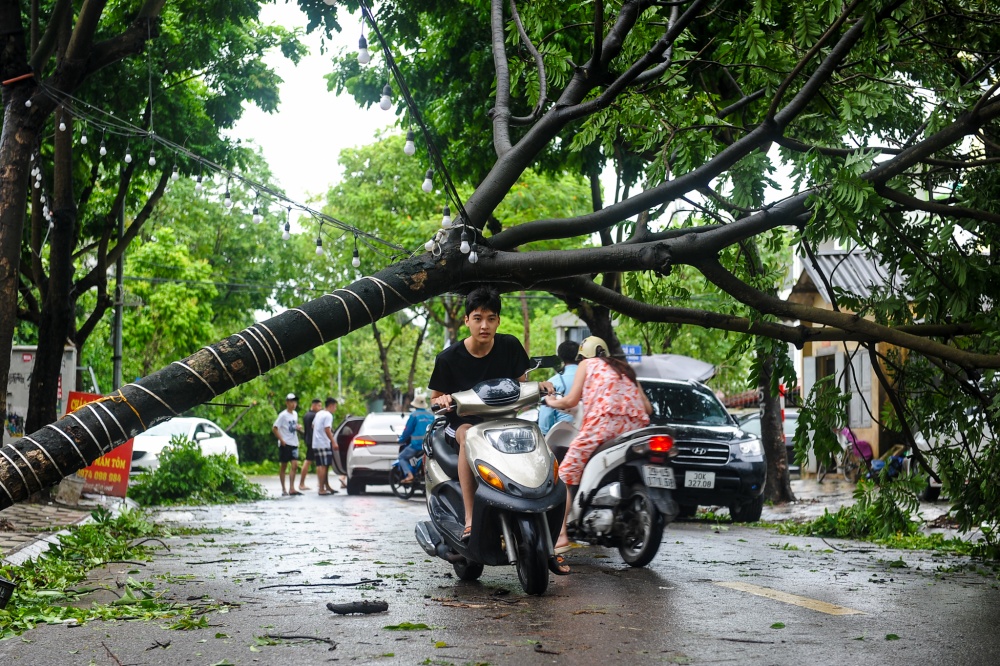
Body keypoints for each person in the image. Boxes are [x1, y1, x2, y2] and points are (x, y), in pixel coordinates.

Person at [429, 286, 554, 542]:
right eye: (477, 318)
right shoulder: (448, 358)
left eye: (490, 319)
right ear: (467, 321)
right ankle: (471, 518)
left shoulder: (510, 346)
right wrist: (441, 400)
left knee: (535, 435)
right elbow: (434, 399)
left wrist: (539, 387)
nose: (484, 325)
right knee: (468, 435)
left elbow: (522, 384)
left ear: (498, 321)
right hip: (465, 423)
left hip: (504, 422)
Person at [543, 336, 653, 572]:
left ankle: (561, 536)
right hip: (635, 429)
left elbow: (571, 400)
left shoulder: (586, 365)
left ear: (584, 356)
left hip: (603, 425)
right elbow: (648, 408)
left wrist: (551, 402)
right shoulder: (625, 368)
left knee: (565, 474)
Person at [537, 340, 581, 435]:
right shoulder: (592, 378)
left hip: (563, 436)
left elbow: (546, 416)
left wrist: (545, 434)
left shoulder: (553, 382)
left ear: (560, 358)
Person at [397, 393, 435, 484]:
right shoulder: (431, 415)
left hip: (417, 445)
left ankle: (409, 475)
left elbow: (408, 431)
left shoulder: (414, 415)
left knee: (401, 457)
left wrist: (401, 440)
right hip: (429, 445)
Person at [272, 393, 304, 496]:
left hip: (294, 442)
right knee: (284, 466)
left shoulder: (295, 414)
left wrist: (298, 427)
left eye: (295, 402)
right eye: (291, 402)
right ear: (287, 403)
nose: (293, 404)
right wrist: (281, 440)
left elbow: (292, 426)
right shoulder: (282, 415)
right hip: (285, 443)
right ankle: (283, 488)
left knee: (294, 465)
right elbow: (275, 428)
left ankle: (292, 488)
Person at [311, 397, 339, 495]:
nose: (335, 409)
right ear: (331, 406)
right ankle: (321, 489)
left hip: (316, 443)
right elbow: (327, 429)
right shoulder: (328, 415)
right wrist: (333, 441)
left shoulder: (319, 413)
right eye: (335, 407)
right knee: (324, 466)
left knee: (322, 465)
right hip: (324, 443)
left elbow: (313, 425)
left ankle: (326, 486)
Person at [298, 398, 322, 491]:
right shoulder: (315, 416)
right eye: (319, 406)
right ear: (314, 405)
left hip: (308, 440)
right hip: (314, 441)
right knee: (315, 462)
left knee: (311, 461)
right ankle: (303, 483)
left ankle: (318, 483)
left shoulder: (306, 415)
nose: (320, 408)